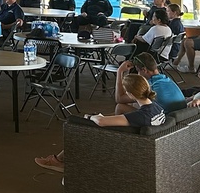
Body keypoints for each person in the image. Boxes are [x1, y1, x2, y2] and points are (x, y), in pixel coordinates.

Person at [35, 74, 165, 173]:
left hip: (127, 146)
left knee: (82, 127)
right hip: (145, 144)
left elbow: (101, 122)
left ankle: (59, 162)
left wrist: (91, 117)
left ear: (131, 94)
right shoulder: (157, 108)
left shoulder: (140, 116)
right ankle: (59, 159)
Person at [118, 54, 185, 113]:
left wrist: (120, 71)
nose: (138, 74)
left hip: (165, 119)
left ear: (144, 70)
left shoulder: (150, 85)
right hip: (179, 114)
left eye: (138, 71)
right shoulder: (165, 78)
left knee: (120, 107)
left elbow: (120, 99)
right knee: (135, 102)